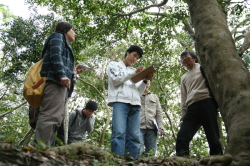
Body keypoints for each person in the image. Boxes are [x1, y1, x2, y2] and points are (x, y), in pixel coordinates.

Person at [34, 21, 76, 147]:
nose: (75, 34)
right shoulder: (58, 36)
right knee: (50, 116)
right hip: (55, 81)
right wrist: (61, 74)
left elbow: (60, 59)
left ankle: (45, 149)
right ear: (66, 29)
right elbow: (55, 55)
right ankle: (39, 150)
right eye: (73, 30)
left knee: (56, 119)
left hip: (62, 85)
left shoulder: (65, 43)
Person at [107, 45, 153, 159]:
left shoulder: (135, 71)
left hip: (136, 104)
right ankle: (117, 159)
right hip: (120, 101)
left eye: (137, 58)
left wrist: (144, 81)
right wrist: (134, 73)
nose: (135, 59)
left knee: (134, 136)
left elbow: (139, 91)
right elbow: (115, 79)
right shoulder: (114, 65)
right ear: (127, 53)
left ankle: (132, 160)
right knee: (118, 133)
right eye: (134, 55)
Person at [176, 51, 223, 156]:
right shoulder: (184, 78)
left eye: (186, 56)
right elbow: (183, 97)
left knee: (213, 137)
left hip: (207, 103)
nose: (184, 59)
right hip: (192, 108)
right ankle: (182, 160)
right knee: (182, 136)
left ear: (194, 58)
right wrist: (183, 113)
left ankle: (216, 160)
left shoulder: (203, 68)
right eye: (182, 58)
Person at [140, 80, 164, 156]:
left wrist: (161, 127)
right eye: (144, 79)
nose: (146, 81)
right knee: (137, 151)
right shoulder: (135, 95)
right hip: (138, 127)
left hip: (152, 129)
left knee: (151, 154)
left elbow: (159, 113)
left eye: (148, 80)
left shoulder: (154, 97)